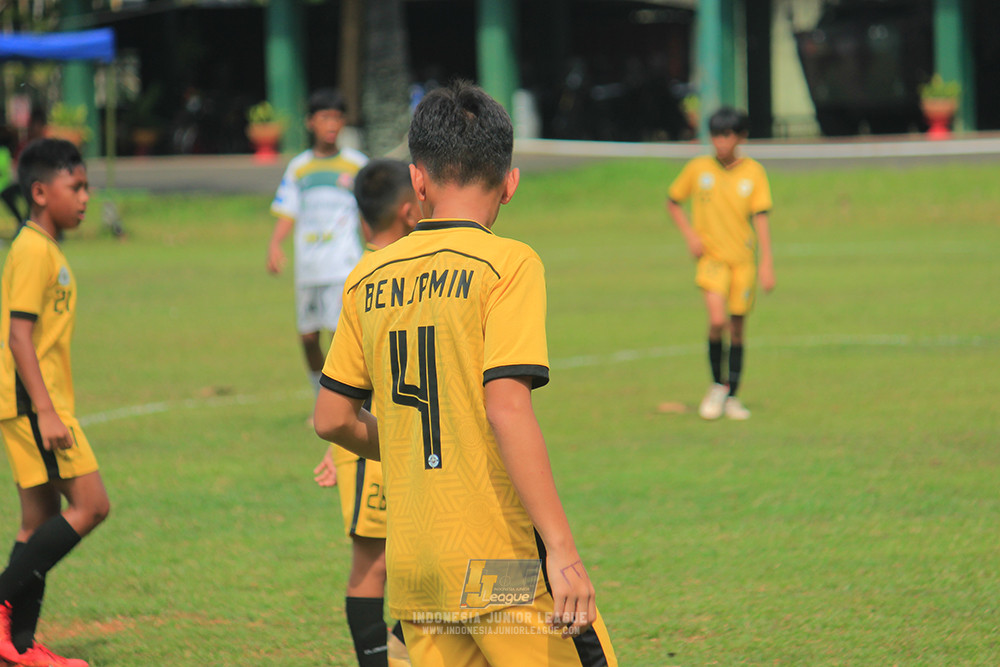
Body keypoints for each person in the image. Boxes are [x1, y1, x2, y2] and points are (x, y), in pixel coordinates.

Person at [313, 81, 617, 667]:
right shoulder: (507, 264)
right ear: (511, 182)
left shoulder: (365, 278)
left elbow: (330, 418)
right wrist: (562, 548)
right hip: (498, 568)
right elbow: (506, 407)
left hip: (417, 572)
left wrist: (402, 444)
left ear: (418, 180)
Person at [0, 138, 111, 667]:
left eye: (87, 185)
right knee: (92, 505)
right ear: (41, 192)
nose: (86, 197)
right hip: (32, 405)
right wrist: (44, 410)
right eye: (77, 186)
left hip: (35, 403)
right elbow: (18, 337)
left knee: (36, 522)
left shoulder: (46, 248)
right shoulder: (30, 250)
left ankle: (18, 647)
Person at [312, 159, 417, 667]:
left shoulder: (413, 271)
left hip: (401, 440)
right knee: (372, 565)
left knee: (425, 557)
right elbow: (352, 383)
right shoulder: (367, 280)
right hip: (376, 444)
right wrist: (347, 447)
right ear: (409, 210)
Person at [666, 106, 775, 420]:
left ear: (740, 137)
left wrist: (767, 262)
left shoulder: (753, 172)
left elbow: (761, 218)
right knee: (717, 321)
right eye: (715, 135)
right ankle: (716, 385)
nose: (721, 142)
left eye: (727, 135)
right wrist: (690, 236)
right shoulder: (699, 169)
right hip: (712, 260)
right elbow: (673, 201)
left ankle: (732, 396)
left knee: (738, 329)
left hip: (743, 262)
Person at [267, 89, 368, 411]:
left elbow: (372, 209)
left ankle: (351, 405)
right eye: (325, 117)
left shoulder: (356, 165)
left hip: (343, 265)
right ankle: (320, 400)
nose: (332, 124)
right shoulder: (299, 168)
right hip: (308, 269)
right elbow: (288, 210)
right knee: (309, 338)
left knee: (341, 338)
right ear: (311, 122)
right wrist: (275, 243)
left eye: (337, 117)